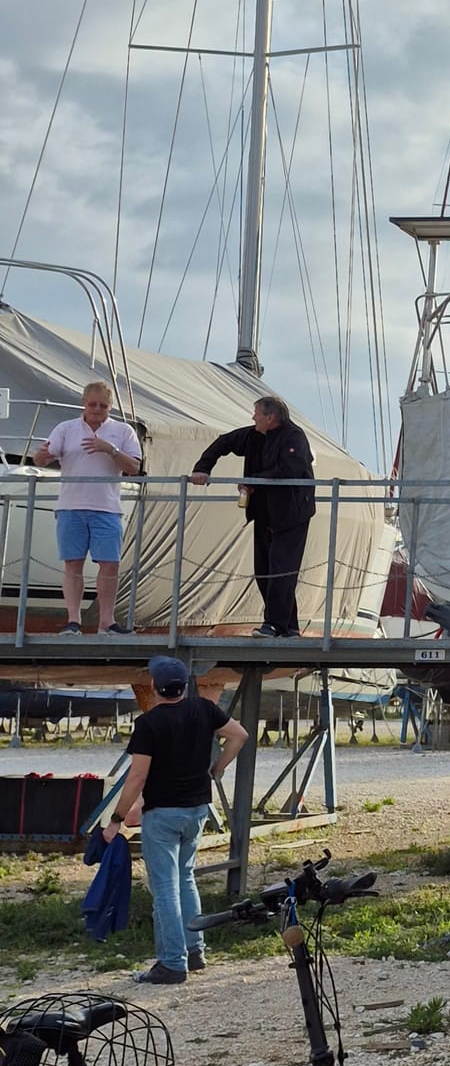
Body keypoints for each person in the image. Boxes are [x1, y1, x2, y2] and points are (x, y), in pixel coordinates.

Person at [105, 655, 248, 986]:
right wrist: (217, 768)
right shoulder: (204, 709)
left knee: (165, 887)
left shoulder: (149, 724)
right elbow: (239, 735)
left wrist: (116, 818)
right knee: (185, 879)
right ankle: (194, 950)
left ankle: (172, 962)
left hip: (162, 814)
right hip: (196, 809)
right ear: (184, 686)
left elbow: (137, 777)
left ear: (154, 687)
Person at [192, 393, 317, 637]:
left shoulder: (294, 437)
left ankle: (274, 624)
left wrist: (253, 481)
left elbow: (289, 470)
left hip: (291, 515)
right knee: (264, 570)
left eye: (257, 414)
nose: (253, 418)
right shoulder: (253, 435)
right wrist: (202, 468)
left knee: (281, 569)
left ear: (270, 418)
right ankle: (289, 626)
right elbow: (224, 442)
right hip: (263, 512)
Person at [35, 377, 143, 638]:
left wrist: (110, 450)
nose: (97, 410)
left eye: (103, 406)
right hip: (70, 506)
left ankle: (107, 622)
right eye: (93, 404)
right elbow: (43, 458)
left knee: (110, 565)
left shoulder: (123, 431)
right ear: (84, 403)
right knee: (73, 564)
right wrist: (41, 456)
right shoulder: (66, 428)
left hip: (107, 507)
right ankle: (73, 621)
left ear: (110, 407)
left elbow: (134, 467)